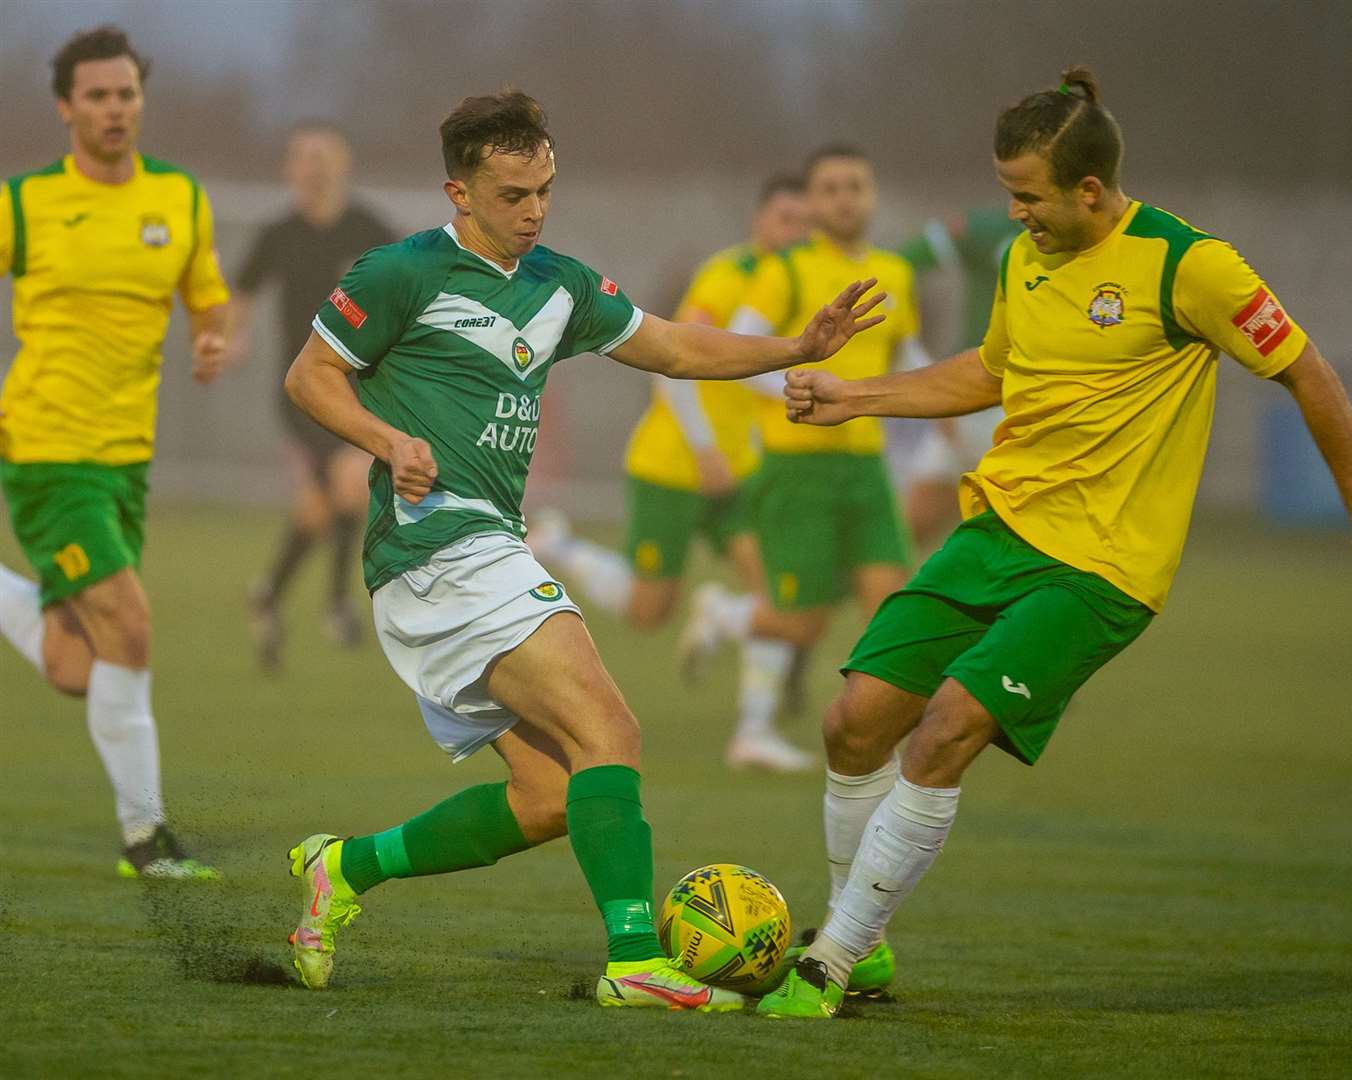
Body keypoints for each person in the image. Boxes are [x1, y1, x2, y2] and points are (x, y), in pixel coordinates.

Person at [757, 66, 1352, 1019]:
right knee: (852, 724)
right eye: (1009, 194)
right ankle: (860, 940)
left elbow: (1309, 372)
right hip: (997, 529)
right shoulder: (1022, 257)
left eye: (1028, 197)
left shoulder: (1188, 266)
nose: (1015, 214)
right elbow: (995, 371)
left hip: (1104, 567)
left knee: (945, 729)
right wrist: (857, 396)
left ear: (1090, 189)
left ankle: (830, 961)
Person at [280, 89, 885, 1008]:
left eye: (546, 190)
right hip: (440, 546)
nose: (534, 211)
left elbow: (674, 348)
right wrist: (388, 441)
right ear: (460, 192)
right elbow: (309, 374)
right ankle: (635, 960)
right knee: (613, 731)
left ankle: (346, 870)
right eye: (514, 194)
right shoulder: (397, 272)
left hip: (475, 551)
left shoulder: (559, 283)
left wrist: (794, 346)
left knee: (554, 797)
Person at [0, 26, 229, 880]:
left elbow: (209, 301)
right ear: (66, 107)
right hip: (44, 450)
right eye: (95, 95)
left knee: (79, 666)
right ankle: (148, 839)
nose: (113, 108)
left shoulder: (179, 198)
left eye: (125, 93)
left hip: (127, 459)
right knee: (130, 624)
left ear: (141, 100)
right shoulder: (23, 202)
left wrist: (211, 340)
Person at [527, 175, 815, 770]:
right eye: (786, 218)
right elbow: (670, 363)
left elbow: (747, 369)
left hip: (738, 473)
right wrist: (705, 446)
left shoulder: (792, 281)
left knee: (780, 595)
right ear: (761, 219)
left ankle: (753, 732)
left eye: (803, 221)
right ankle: (556, 544)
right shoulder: (726, 276)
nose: (797, 231)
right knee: (648, 612)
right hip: (673, 465)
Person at [678, 146, 927, 760]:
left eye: (856, 186)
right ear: (812, 203)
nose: (845, 198)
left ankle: (889, 742)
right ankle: (727, 616)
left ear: (872, 195)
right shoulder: (783, 269)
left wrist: (954, 423)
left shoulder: (894, 272)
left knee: (895, 606)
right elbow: (736, 352)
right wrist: (804, 391)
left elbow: (907, 357)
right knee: (800, 621)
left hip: (866, 466)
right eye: (831, 188)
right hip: (795, 467)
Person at [227, 122, 396, 670]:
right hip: (302, 390)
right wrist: (232, 336)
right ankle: (339, 603)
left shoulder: (369, 229)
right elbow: (242, 292)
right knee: (351, 483)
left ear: (344, 163)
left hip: (360, 385)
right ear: (290, 169)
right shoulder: (279, 235)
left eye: (325, 155)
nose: (315, 165)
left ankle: (269, 595)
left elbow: (408, 290)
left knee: (321, 508)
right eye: (304, 156)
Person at [896, 207, 1022, 546]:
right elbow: (903, 261)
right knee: (909, 528)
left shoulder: (1084, 242)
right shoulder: (990, 231)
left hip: (1029, 399)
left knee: (1014, 530)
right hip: (975, 389)